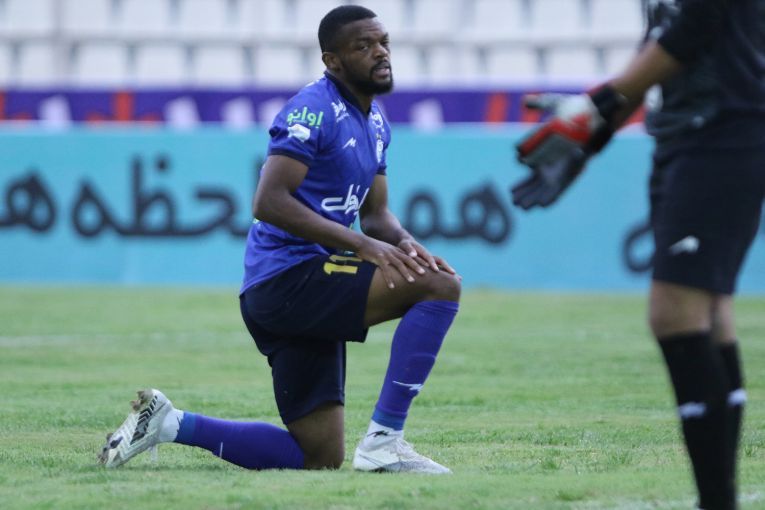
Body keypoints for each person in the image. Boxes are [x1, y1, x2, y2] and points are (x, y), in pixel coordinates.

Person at [98, 5, 461, 474]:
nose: (380, 52)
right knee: (439, 287)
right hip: (288, 279)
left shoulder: (375, 123)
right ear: (332, 61)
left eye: (383, 42)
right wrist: (363, 246)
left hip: (306, 286)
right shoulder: (312, 110)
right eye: (363, 46)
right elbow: (269, 201)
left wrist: (405, 242)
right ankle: (385, 441)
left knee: (317, 457)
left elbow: (375, 216)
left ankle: (168, 423)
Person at [512, 1, 764, 508]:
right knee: (709, 314)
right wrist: (592, 136)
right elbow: (657, 51)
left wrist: (595, 104)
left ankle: (717, 500)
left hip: (724, 130)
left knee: (676, 314)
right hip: (687, 135)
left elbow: (692, 31)